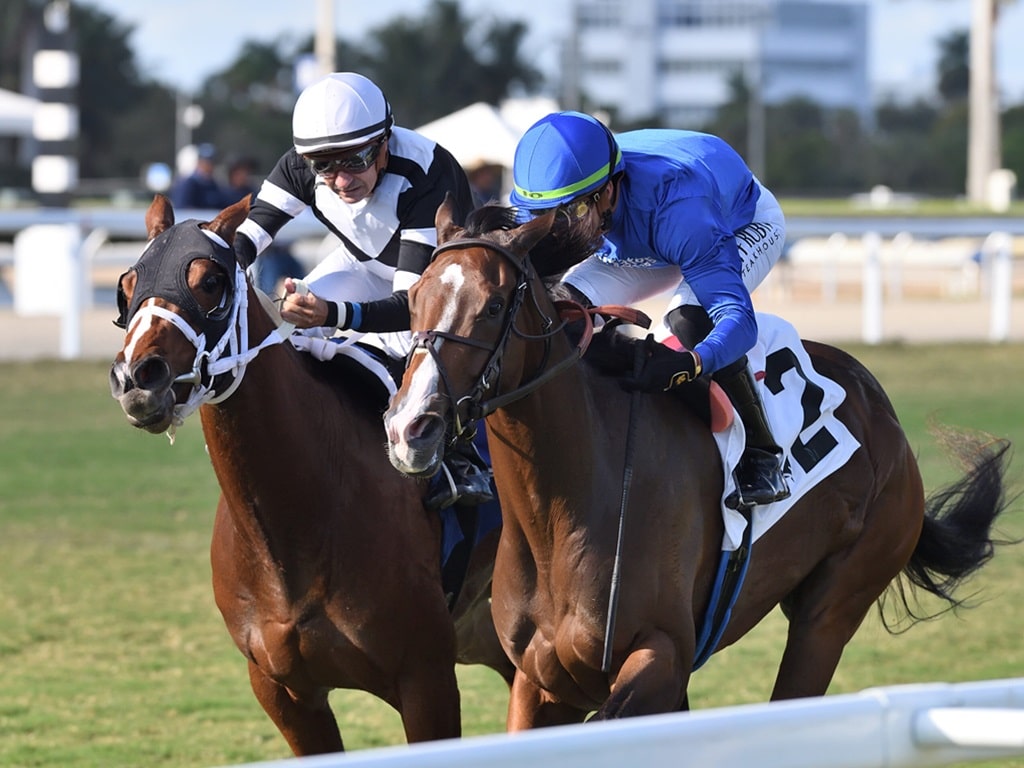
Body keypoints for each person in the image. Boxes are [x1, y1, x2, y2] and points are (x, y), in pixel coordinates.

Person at [231, 71, 492, 511]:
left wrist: (331, 313)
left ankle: (459, 457)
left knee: (410, 350)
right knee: (287, 331)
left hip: (434, 295)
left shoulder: (427, 174)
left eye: (355, 160)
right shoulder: (302, 164)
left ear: (384, 143)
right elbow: (245, 241)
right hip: (363, 263)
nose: (340, 179)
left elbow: (410, 308)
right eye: (324, 166)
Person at [509, 111, 790, 508]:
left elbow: (737, 321)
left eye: (569, 214)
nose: (556, 230)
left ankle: (762, 454)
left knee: (689, 321)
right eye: (544, 217)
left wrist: (690, 363)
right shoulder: (557, 203)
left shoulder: (682, 209)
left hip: (731, 222)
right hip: (633, 234)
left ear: (607, 190)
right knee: (558, 316)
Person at [223, 154, 304, 294]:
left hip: (280, 250)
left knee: (303, 287)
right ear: (233, 173)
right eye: (241, 171)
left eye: (247, 170)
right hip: (262, 253)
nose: (245, 174)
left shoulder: (254, 191)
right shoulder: (226, 196)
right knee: (265, 294)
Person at [170, 142, 226, 210]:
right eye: (205, 162)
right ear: (199, 162)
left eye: (211, 162)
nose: (209, 165)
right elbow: (182, 209)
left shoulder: (214, 185)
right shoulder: (188, 184)